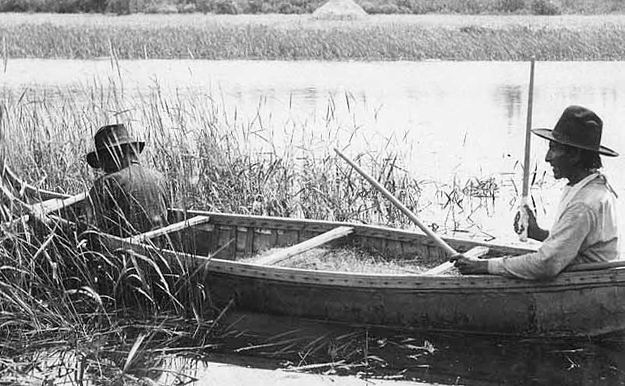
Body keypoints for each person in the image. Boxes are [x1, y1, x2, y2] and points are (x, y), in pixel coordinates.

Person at [455, 105, 619, 280]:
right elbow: (576, 244)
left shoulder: (583, 204)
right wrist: (538, 233)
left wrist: (485, 266)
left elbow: (546, 264)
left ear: (574, 155)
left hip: (587, 281)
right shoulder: (592, 186)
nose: (548, 157)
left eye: (554, 148)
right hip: (588, 274)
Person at [85, 123, 169, 238]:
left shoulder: (106, 183)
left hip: (124, 251)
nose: (103, 167)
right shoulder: (159, 177)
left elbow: (88, 226)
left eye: (103, 159)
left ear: (111, 156)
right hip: (161, 245)